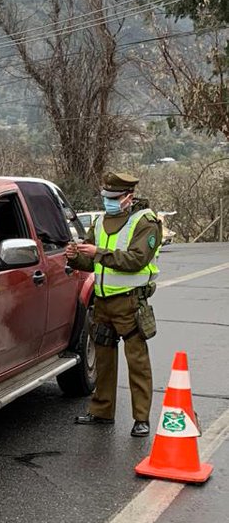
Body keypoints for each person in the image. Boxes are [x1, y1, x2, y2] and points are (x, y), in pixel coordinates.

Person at [65, 170, 162, 438]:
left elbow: (136, 260)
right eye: (105, 196)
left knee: (137, 362)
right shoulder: (99, 223)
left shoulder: (145, 222)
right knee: (104, 360)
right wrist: (75, 257)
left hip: (130, 302)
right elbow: (90, 261)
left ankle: (141, 417)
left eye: (114, 197)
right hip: (103, 302)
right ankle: (102, 411)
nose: (108, 201)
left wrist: (99, 253)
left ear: (128, 197)